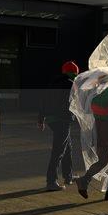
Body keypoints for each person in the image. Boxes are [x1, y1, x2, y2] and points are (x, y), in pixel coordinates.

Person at [38, 61, 79, 191]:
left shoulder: (52, 83)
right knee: (58, 151)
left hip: (51, 119)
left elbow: (43, 100)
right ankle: (51, 181)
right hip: (62, 120)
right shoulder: (71, 85)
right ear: (74, 73)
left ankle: (68, 176)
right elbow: (74, 104)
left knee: (67, 148)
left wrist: (41, 118)